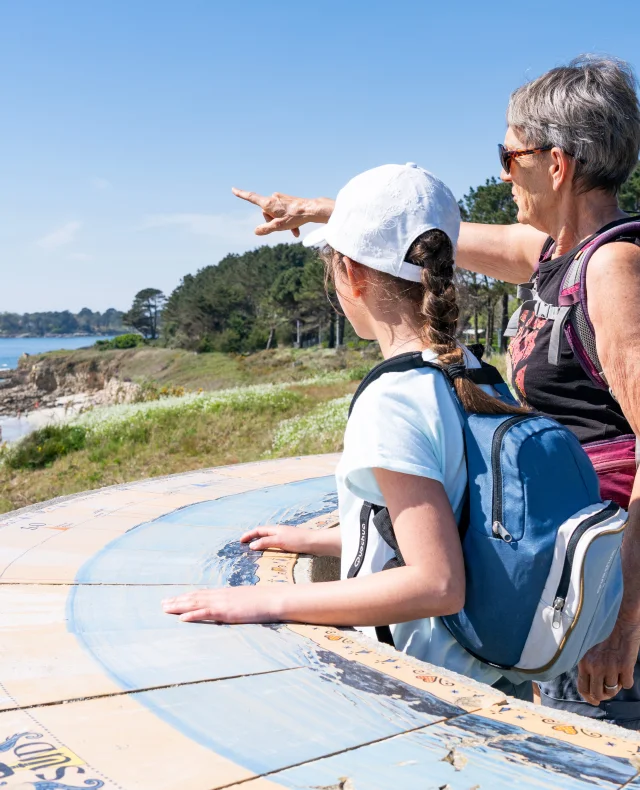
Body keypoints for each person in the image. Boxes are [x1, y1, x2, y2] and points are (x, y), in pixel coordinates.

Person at [231, 55, 640, 727]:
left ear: (557, 164)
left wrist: (625, 622)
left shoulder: (614, 269)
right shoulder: (552, 256)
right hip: (561, 563)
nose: (503, 173)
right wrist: (328, 211)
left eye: (508, 157)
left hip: (604, 583)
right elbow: (430, 241)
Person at [163, 162, 530, 697]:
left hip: (429, 690)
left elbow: (437, 583)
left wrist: (266, 601)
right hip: (492, 672)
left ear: (351, 275)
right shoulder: (475, 371)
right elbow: (445, 523)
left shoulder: (394, 397)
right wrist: (317, 540)